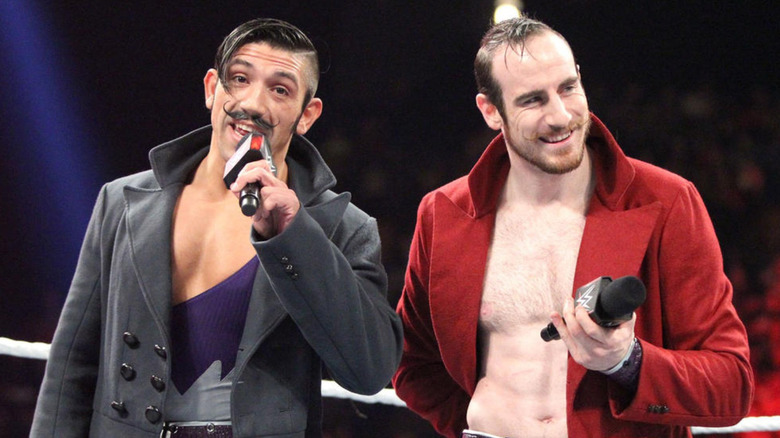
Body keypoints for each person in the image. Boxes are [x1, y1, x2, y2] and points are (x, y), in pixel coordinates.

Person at [31, 18, 403, 437]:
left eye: (280, 89)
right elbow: (72, 365)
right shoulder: (122, 202)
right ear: (212, 88)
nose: (253, 103)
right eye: (239, 79)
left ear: (306, 115)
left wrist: (294, 236)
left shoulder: (341, 228)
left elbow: (369, 369)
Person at [392, 15, 753, 438]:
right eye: (532, 100)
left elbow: (731, 383)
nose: (560, 116)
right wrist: (476, 421)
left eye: (568, 88)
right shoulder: (443, 214)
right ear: (491, 110)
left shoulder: (666, 201)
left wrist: (627, 361)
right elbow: (413, 365)